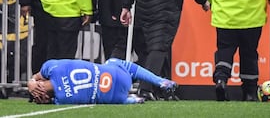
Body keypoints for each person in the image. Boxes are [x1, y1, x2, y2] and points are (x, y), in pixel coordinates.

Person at [27, 58, 177, 104]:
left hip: (116, 97)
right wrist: (32, 80)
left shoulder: (62, 100)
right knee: (112, 62)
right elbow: (38, 75)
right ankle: (160, 81)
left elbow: (49, 98)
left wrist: (43, 97)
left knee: (99, 97)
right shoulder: (51, 67)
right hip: (119, 75)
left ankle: (132, 100)